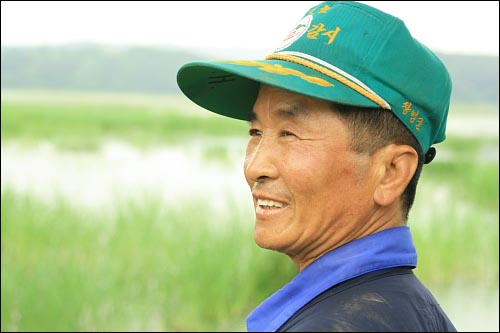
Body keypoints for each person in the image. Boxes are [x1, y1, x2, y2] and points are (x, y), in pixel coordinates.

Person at [176, 1, 457, 331]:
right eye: (256, 132)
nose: (255, 168)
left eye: (290, 134)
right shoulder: (409, 307)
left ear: (391, 172)